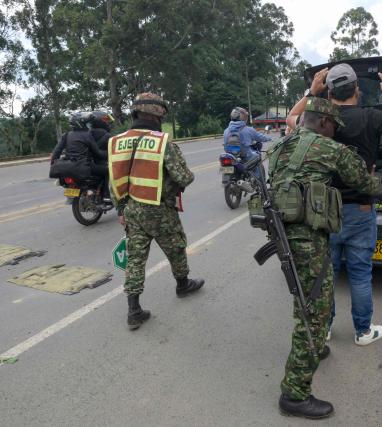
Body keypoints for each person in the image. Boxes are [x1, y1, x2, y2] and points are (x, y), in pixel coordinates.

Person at [272, 97, 382, 419]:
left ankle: (315, 347)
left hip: (284, 234)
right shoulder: (332, 150)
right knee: (312, 311)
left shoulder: (281, 147)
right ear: (326, 123)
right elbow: (363, 183)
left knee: (310, 296)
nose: (335, 133)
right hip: (308, 237)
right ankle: (294, 394)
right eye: (334, 128)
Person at [286, 63, 382, 346]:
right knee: (360, 273)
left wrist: (311, 92)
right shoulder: (371, 118)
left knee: (327, 275)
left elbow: (291, 118)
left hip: (323, 210)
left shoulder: (319, 120)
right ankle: (362, 331)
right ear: (357, 91)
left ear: (330, 91)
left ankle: (323, 330)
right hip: (360, 210)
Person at [108, 93, 205, 330]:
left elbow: (114, 179)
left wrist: (121, 209)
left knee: (136, 259)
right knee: (176, 247)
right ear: (157, 114)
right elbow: (184, 177)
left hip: (131, 209)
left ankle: (134, 310)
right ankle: (183, 285)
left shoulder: (117, 141)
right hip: (159, 210)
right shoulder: (162, 142)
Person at [51, 112, 110, 201]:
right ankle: (106, 195)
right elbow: (97, 153)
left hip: (67, 166)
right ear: (81, 124)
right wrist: (109, 154)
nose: (88, 126)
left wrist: (53, 163)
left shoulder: (66, 135)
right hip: (83, 166)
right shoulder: (87, 136)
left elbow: (56, 153)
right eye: (87, 123)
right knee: (108, 170)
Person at [223, 107, 271, 178]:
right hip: (245, 156)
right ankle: (258, 179)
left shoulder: (226, 131)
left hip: (231, 157)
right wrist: (269, 139)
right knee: (257, 157)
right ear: (242, 117)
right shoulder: (248, 130)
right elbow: (260, 137)